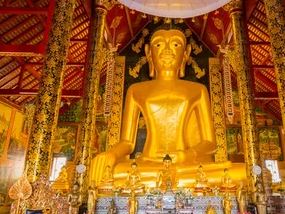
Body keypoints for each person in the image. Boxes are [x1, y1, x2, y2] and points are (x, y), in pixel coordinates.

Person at [89, 28, 246, 188]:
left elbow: (210, 143)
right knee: (104, 172)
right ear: (149, 53)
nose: (167, 50)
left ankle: (166, 182)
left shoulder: (197, 90)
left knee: (243, 172)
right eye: (158, 45)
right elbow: (127, 143)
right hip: (147, 165)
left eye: (176, 44)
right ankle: (173, 182)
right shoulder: (136, 90)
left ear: (186, 54)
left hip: (186, 165)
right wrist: (110, 154)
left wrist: (187, 155)